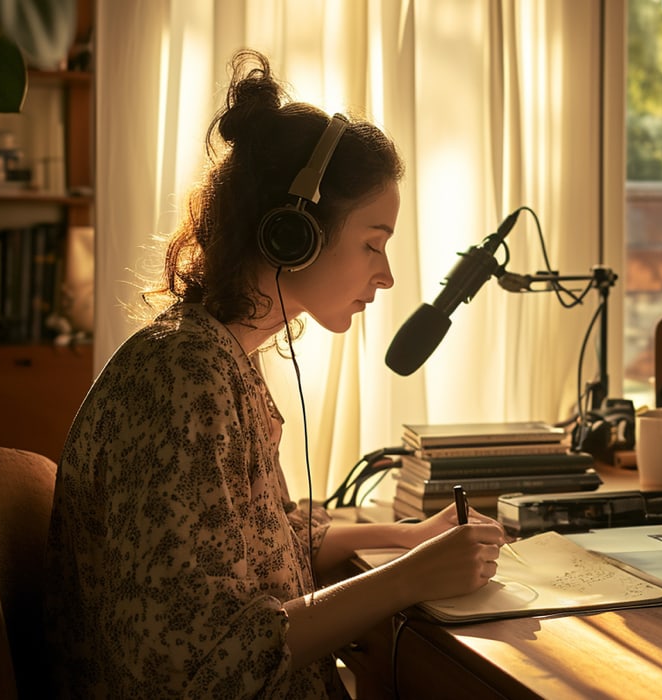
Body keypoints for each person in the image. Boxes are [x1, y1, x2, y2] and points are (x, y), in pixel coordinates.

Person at [44, 49, 507, 699]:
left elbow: (266, 541)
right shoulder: (185, 385)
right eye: (373, 242)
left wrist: (410, 538)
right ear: (296, 233)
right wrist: (408, 579)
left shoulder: (212, 361)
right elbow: (201, 662)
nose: (387, 274)